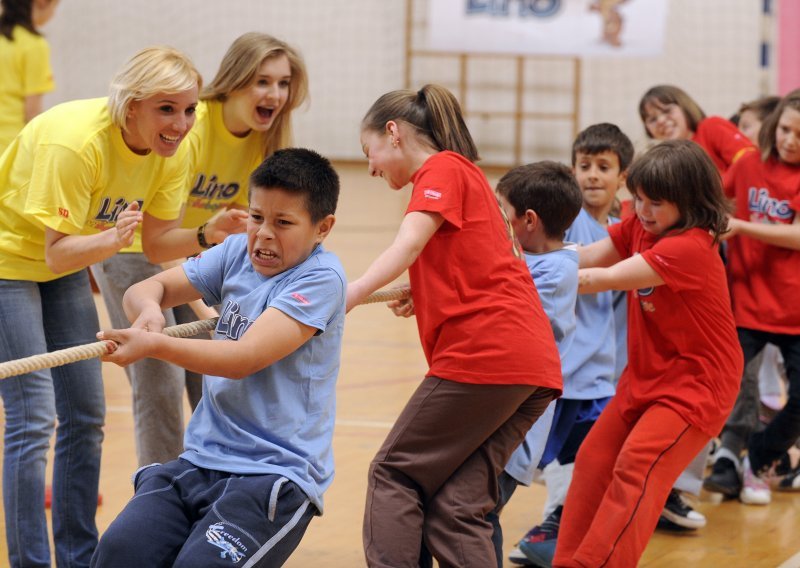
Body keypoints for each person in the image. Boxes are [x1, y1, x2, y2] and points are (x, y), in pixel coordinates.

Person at [90, 148, 345, 568]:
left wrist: (154, 345)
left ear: (323, 228)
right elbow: (145, 289)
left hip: (273, 472)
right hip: (200, 460)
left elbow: (242, 358)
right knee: (117, 553)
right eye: (256, 216)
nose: (263, 234)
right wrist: (151, 310)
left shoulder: (321, 278)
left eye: (283, 223)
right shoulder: (235, 254)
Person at [0, 46, 201, 568]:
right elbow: (55, 249)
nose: (180, 124)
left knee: (86, 414)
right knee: (33, 416)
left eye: (189, 109)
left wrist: (207, 234)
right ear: (132, 105)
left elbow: (156, 246)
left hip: (64, 264)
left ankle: (78, 558)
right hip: (8, 261)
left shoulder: (171, 150)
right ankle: (29, 562)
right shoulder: (78, 144)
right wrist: (113, 240)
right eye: (166, 108)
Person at [347, 83, 563, 567]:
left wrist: (350, 293)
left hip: (486, 359)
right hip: (531, 366)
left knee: (393, 473)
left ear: (393, 132)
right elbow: (479, 267)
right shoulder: (469, 177)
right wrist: (424, 294)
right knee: (456, 506)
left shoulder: (441, 168)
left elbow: (408, 244)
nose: (371, 166)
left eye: (370, 152)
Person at [91, 32, 307, 467]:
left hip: (196, 255)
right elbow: (159, 238)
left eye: (284, 84)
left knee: (212, 373)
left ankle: (206, 482)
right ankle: (156, 496)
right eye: (263, 81)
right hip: (134, 249)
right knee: (160, 379)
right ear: (235, 81)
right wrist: (210, 312)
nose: (275, 94)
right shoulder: (192, 126)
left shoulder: (265, 141)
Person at [553, 140, 743, 568]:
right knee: (593, 460)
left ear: (689, 201)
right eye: (637, 198)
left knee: (637, 469)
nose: (641, 210)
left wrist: (519, 273)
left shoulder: (689, 248)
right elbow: (586, 256)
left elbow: (598, 279)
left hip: (696, 388)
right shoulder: (643, 224)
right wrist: (523, 260)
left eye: (655, 202)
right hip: (645, 376)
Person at [505, 123, 633, 568]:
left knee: (585, 460)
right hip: (562, 372)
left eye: (604, 167)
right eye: (584, 166)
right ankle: (543, 527)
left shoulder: (622, 230)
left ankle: (555, 529)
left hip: (598, 376)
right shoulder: (566, 221)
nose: (593, 175)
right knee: (537, 461)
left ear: (623, 177)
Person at [706, 89, 800, 503]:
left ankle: (760, 455)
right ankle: (724, 457)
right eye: (785, 129)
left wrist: (741, 226)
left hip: (795, 310)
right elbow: (715, 195)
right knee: (726, 389)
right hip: (745, 303)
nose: (790, 140)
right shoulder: (748, 164)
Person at [488, 161, 582, 568]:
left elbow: (504, 319)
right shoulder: (521, 258)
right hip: (494, 416)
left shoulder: (556, 271)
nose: (494, 219)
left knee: (478, 515)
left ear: (528, 220)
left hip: (517, 426)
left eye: (500, 210)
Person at [639, 84, 755, 176]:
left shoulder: (710, 127)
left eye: (666, 111)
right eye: (652, 119)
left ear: (685, 107)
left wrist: (716, 191)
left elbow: (749, 162)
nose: (661, 121)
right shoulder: (661, 160)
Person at [0, 0, 58, 154]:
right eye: (55, 6)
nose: (53, 14)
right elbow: (32, 113)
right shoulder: (34, 45)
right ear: (42, 2)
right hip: (9, 146)